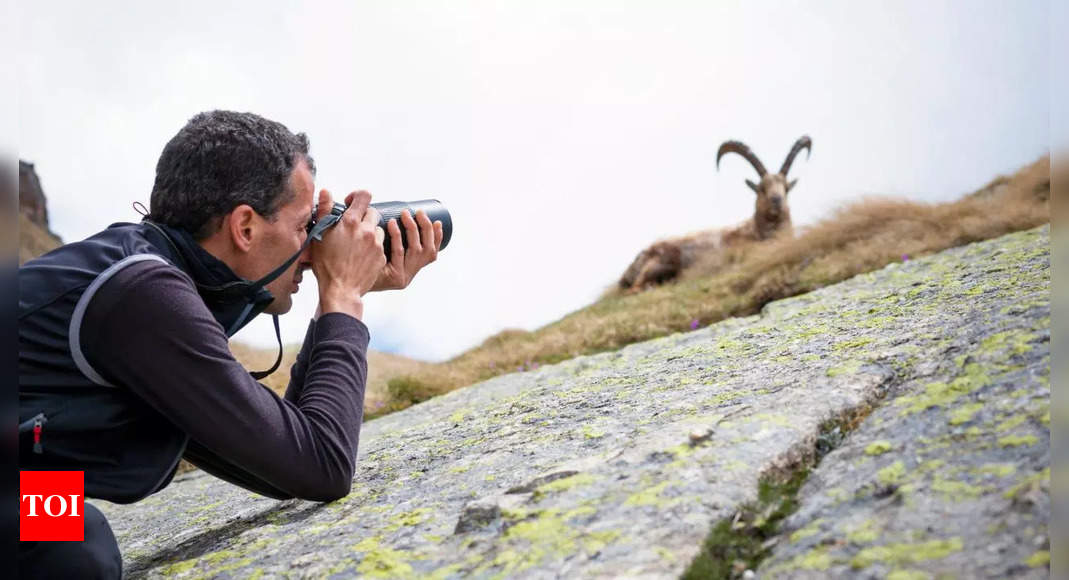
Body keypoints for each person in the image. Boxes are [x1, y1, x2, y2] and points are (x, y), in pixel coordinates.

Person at [17, 110, 444, 579]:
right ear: (245, 227)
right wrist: (343, 293)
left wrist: (333, 300)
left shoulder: (143, 278)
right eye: (305, 226)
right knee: (70, 545)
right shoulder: (141, 294)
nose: (312, 250)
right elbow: (322, 465)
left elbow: (280, 461)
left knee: (59, 525)